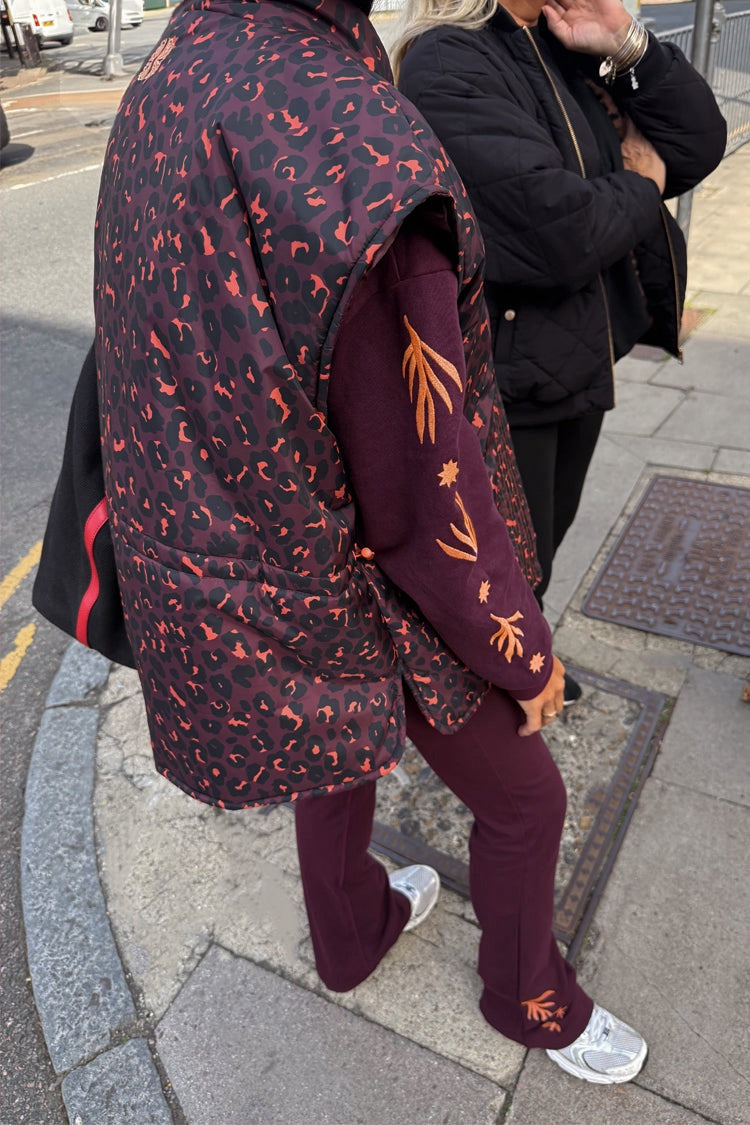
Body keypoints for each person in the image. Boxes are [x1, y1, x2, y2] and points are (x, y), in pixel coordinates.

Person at [92, 0, 646, 1085]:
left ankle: (350, 934)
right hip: (353, 569)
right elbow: (424, 488)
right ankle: (527, 995)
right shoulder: (350, 137)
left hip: (239, 553)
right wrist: (521, 650)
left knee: (329, 742)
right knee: (527, 799)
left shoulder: (172, 70)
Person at [395, 0, 726, 704]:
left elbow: (696, 146)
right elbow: (562, 233)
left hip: (579, 355)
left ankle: (525, 664)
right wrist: (642, 182)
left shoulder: (567, 43)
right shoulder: (447, 59)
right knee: (503, 566)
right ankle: (498, 706)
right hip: (507, 379)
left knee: (540, 552)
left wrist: (626, 43)